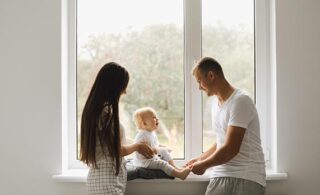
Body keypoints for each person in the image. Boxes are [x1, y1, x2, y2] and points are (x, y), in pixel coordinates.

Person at [186, 57, 266, 195]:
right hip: (220, 173)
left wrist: (204, 165)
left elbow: (231, 149)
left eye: (199, 81)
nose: (199, 87)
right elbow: (222, 141)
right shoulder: (214, 105)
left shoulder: (241, 100)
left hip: (247, 175)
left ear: (211, 75)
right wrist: (200, 158)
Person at [79, 62, 154, 195]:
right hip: (107, 184)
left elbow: (113, 142)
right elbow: (117, 150)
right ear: (114, 86)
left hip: (99, 181)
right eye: (123, 87)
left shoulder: (96, 111)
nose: (125, 91)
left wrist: (141, 142)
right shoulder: (105, 113)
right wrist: (137, 146)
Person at [132, 107, 191, 180]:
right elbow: (145, 151)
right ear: (144, 123)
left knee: (164, 151)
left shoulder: (152, 133)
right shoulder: (142, 136)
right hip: (144, 162)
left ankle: (176, 168)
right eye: (154, 118)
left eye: (157, 117)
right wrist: (158, 150)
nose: (157, 119)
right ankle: (179, 174)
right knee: (162, 164)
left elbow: (156, 145)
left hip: (151, 157)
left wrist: (162, 148)